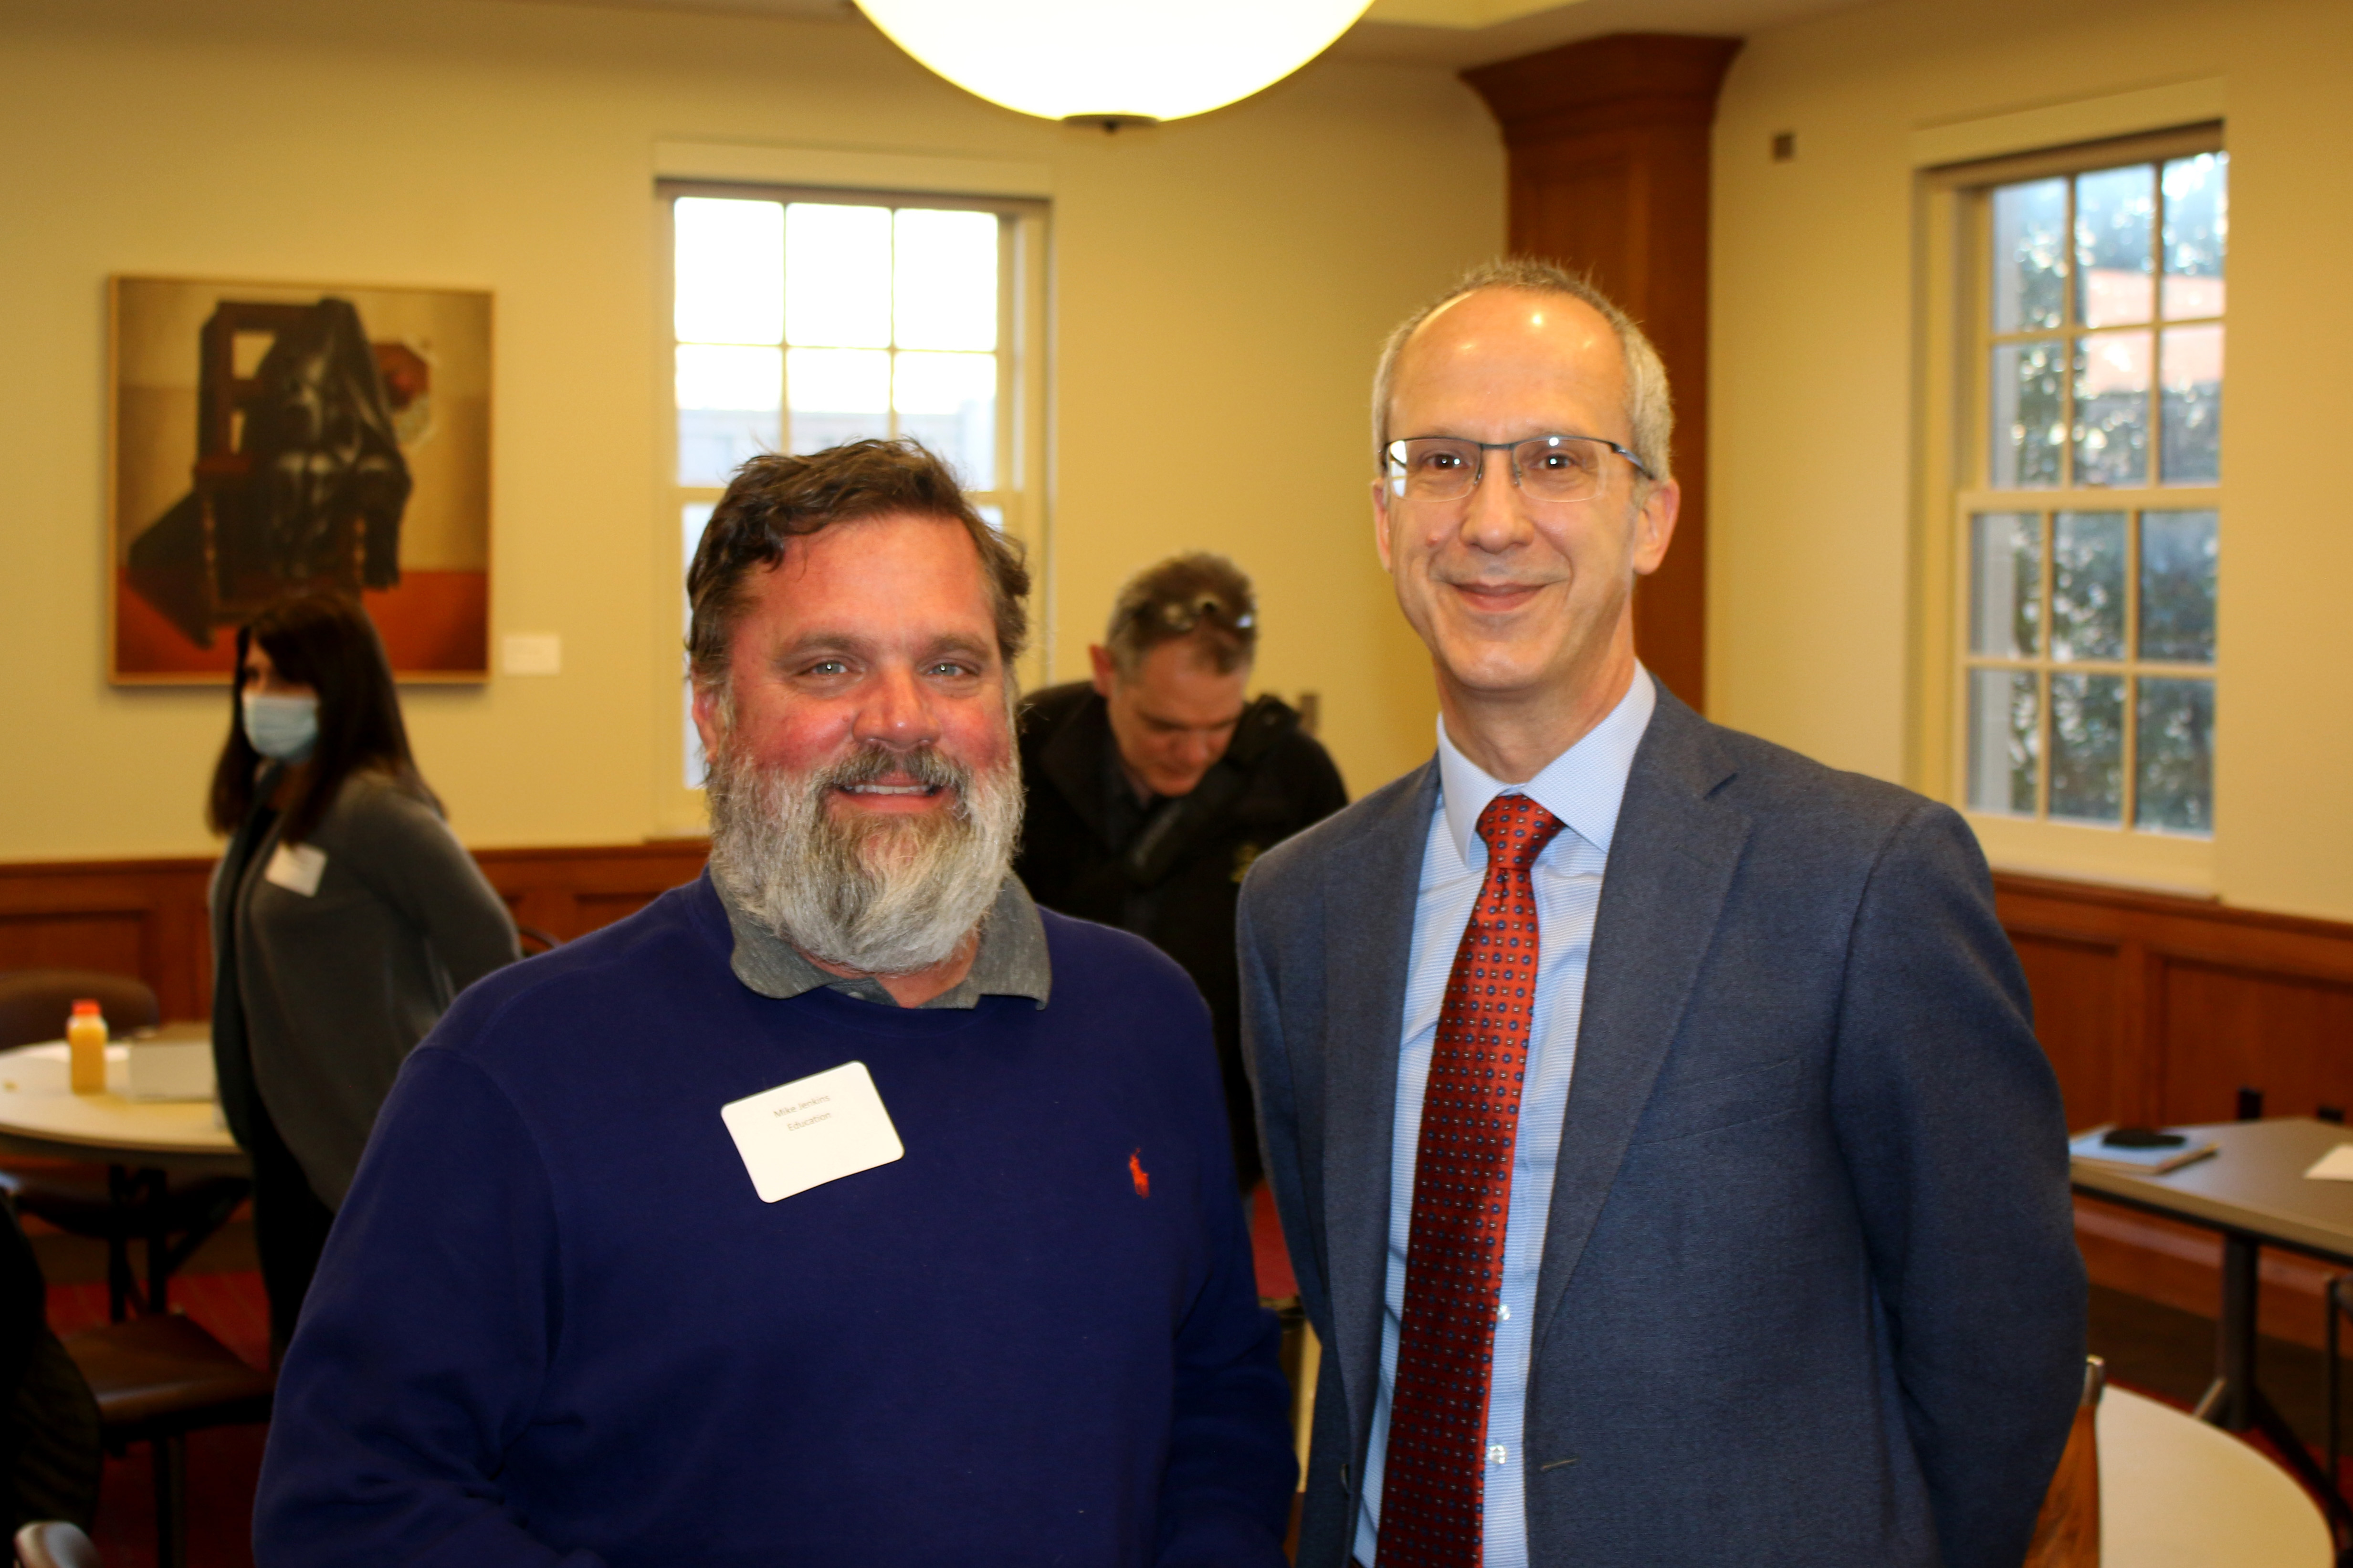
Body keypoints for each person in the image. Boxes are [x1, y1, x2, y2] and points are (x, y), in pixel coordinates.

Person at [254, 440, 1295, 1568]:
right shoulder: (517, 1069)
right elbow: (351, 1500)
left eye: (953, 665)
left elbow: (1218, 1389)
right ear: (714, 711)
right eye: (829, 667)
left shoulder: (1142, 1019)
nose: (904, 720)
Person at [1241, 260, 2086, 1568]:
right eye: (1444, 461)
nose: (1494, 518)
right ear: (1383, 512)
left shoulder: (1863, 879)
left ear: (1651, 515)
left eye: (1559, 460)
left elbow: (1998, 1341)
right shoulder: (1303, 906)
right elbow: (1349, 1324)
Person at [206, 592, 517, 1354]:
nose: (259, 697)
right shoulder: (278, 798)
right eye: (250, 676)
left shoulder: (373, 808)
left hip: (363, 1132)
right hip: (287, 1130)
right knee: (307, 1346)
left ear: (339, 687)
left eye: (283, 678)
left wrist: (457, 1090)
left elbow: (488, 944)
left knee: (373, 1356)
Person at [1015, 553, 1345, 1193]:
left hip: (1219, 1115)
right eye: (1165, 725)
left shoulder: (1294, 774)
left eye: (1219, 726)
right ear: (1106, 671)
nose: (1194, 753)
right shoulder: (1026, 746)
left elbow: (1325, 968)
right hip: (1046, 1093)